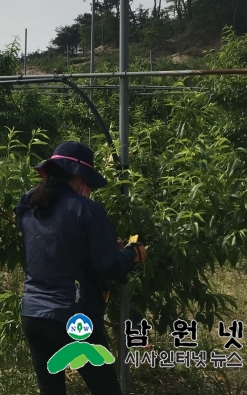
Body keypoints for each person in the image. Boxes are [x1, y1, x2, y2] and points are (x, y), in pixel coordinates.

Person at [13, 141, 147, 395]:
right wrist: (132, 253)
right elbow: (109, 268)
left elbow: (56, 248)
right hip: (74, 318)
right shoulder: (87, 210)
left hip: (33, 315)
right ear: (78, 176)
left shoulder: (29, 207)